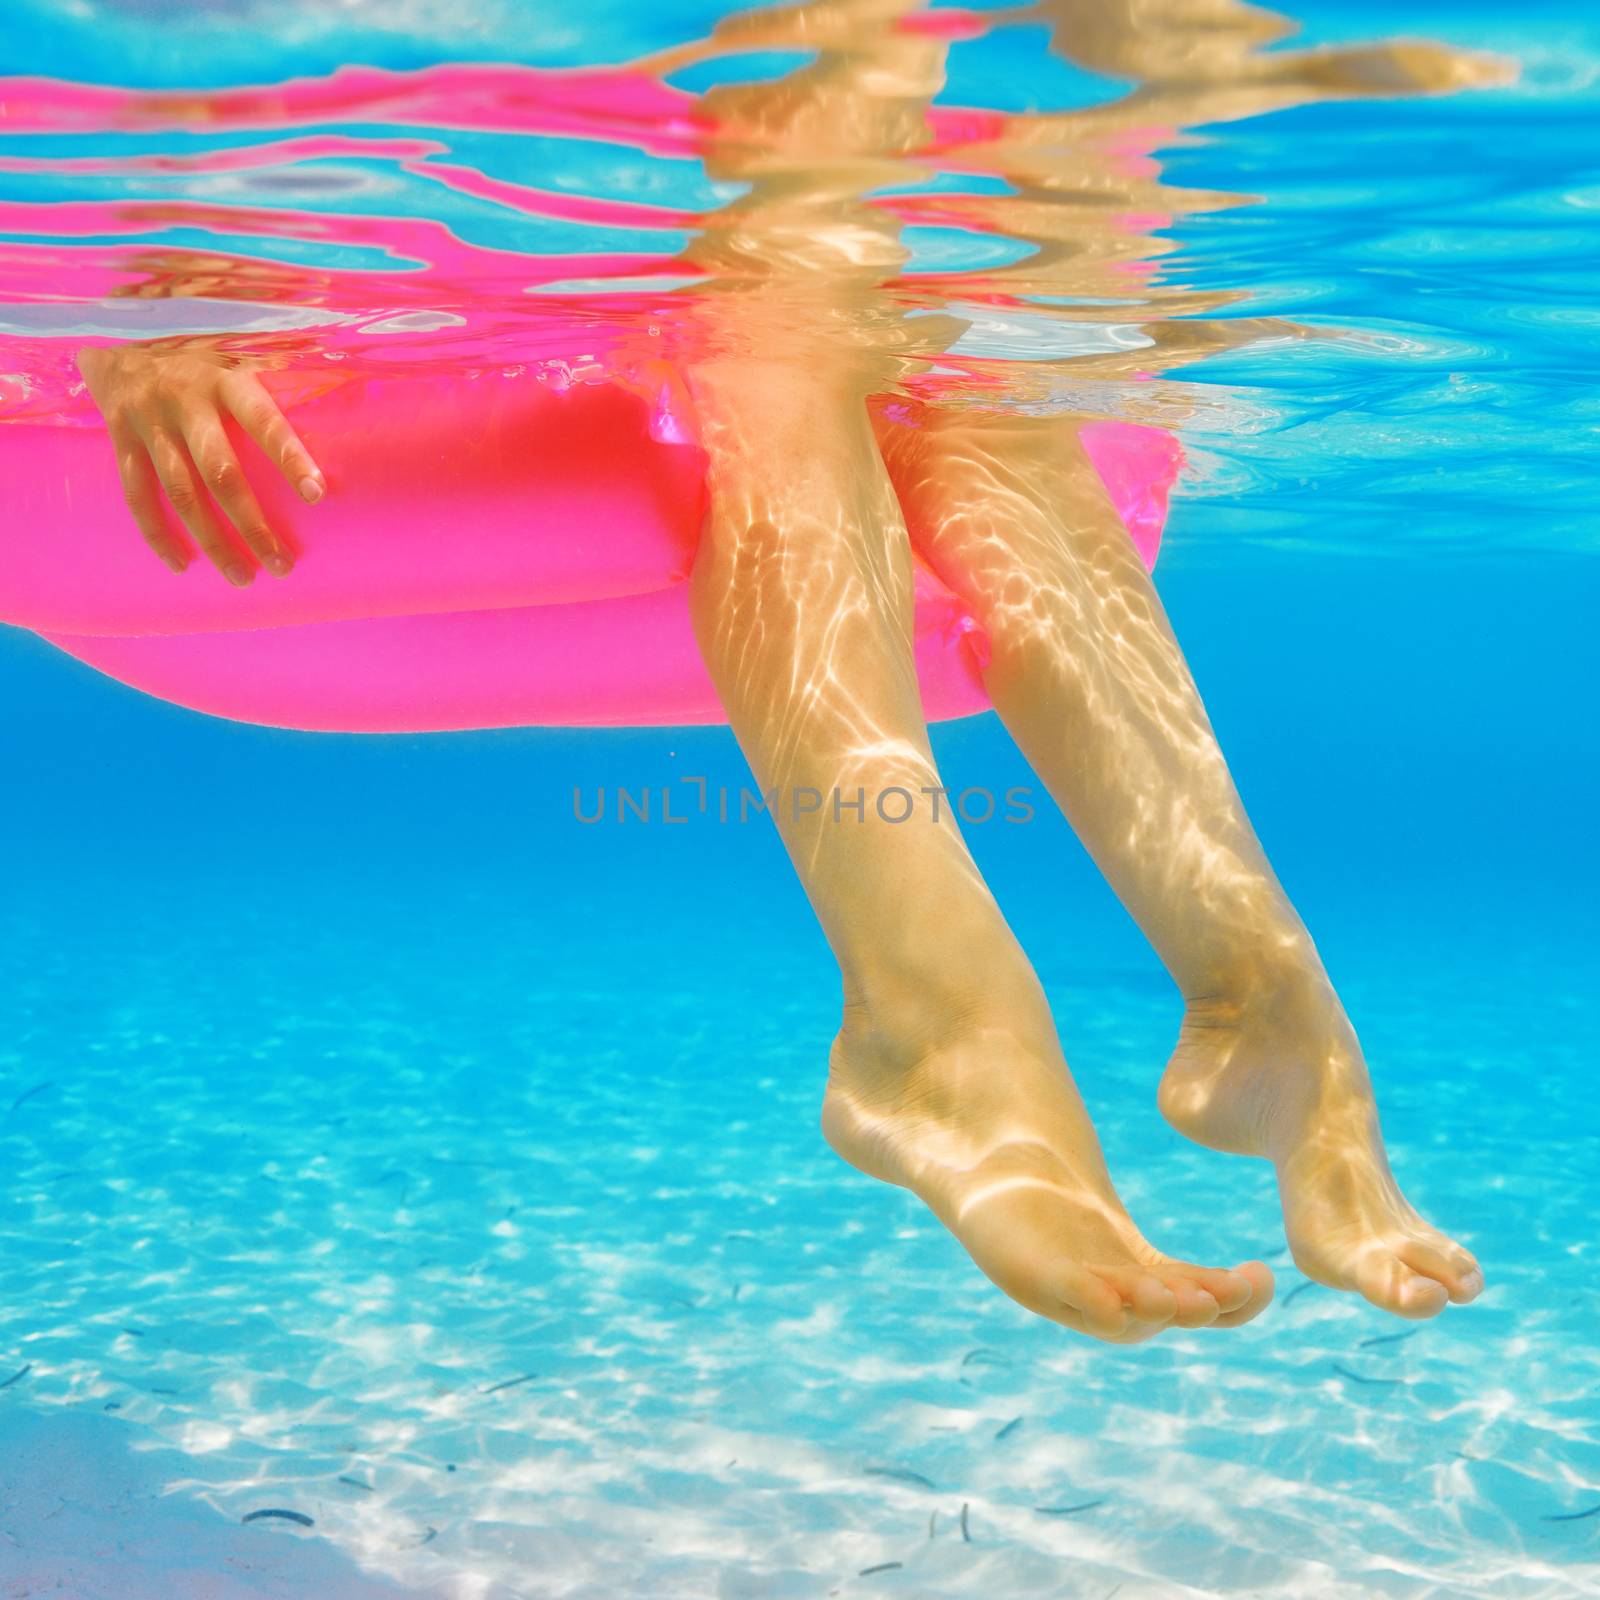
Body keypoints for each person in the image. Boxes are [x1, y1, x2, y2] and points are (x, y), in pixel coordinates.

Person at [68, 0, 1501, 1343]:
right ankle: (940, 1026)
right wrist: (162, 291)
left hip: (722, 217)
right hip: (491, 269)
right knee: (786, 332)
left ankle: (1263, 994)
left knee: (979, 391)